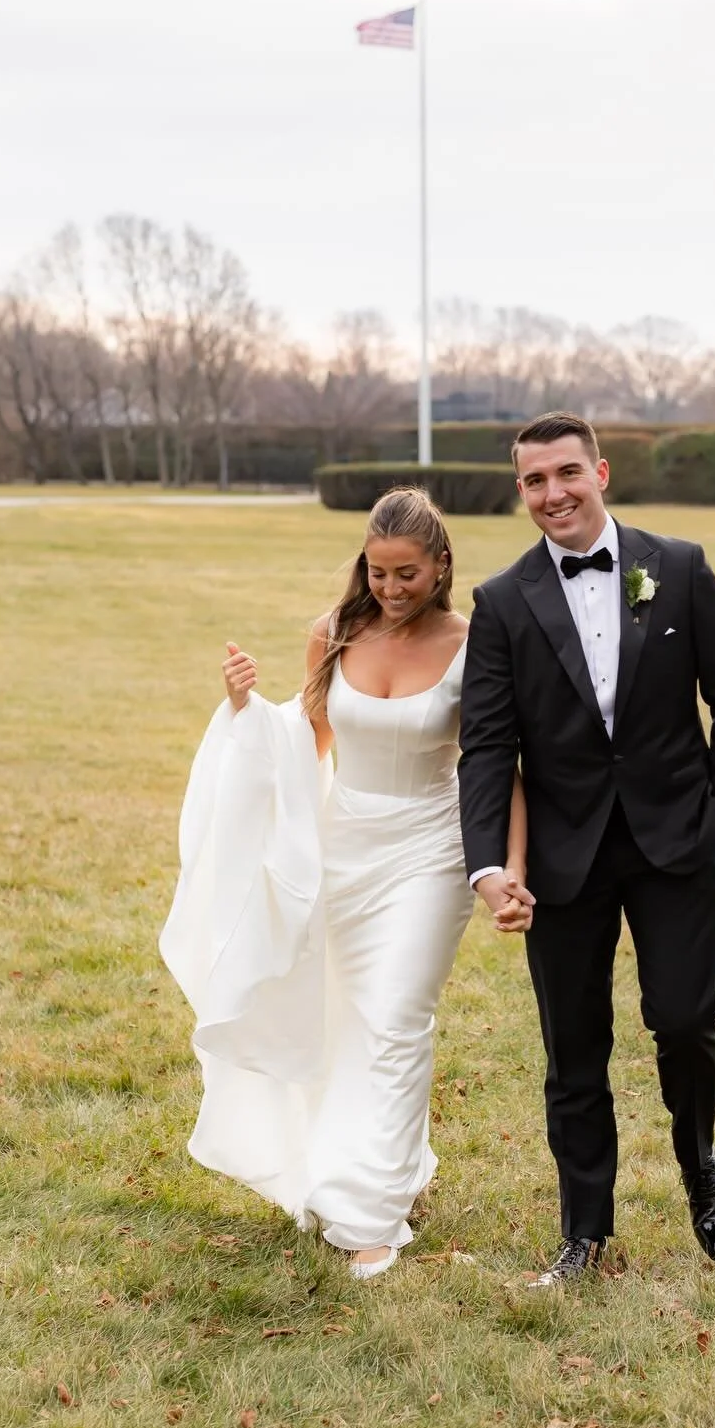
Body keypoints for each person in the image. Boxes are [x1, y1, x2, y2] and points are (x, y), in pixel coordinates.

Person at [161, 487, 530, 1279]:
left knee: (398, 1017)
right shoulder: (333, 634)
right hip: (344, 846)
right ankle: (375, 1164)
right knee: (346, 1020)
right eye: (379, 571)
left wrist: (507, 870)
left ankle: (369, 1216)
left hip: (430, 847)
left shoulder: (476, 643)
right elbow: (309, 738)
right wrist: (244, 708)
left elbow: (501, 766)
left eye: (408, 574)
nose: (392, 589)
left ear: (441, 566)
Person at [458, 412, 715, 1285]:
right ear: (519, 490)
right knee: (574, 1048)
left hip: (678, 840)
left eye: (566, 474)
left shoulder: (681, 567)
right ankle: (584, 1231)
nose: (552, 494)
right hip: (562, 858)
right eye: (533, 481)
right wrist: (491, 867)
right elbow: (487, 748)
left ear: (601, 472)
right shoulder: (503, 602)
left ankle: (701, 1167)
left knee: (683, 1018)